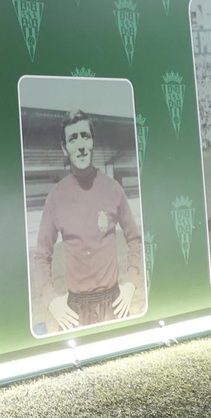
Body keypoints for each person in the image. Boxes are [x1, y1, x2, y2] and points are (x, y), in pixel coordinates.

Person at [31, 108, 144, 328]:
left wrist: (131, 283)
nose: (81, 145)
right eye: (73, 139)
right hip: (75, 309)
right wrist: (51, 300)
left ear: (93, 141)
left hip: (113, 302)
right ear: (65, 148)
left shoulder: (113, 189)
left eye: (85, 136)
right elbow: (41, 256)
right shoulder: (56, 198)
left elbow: (135, 239)